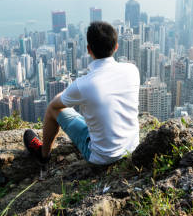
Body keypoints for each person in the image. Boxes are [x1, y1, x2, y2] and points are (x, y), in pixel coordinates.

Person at [23, 21, 140, 165]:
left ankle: (43, 155)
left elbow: (55, 104)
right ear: (116, 47)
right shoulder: (132, 70)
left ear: (88, 49)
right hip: (132, 148)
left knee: (52, 108)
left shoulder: (84, 84)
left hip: (101, 158)